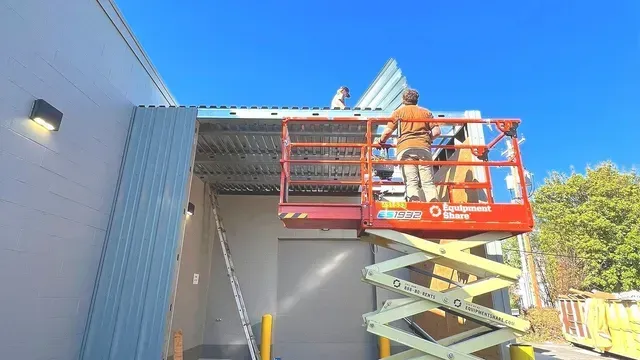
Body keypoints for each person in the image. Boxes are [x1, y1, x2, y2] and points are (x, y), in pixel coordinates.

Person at [374, 88, 441, 202]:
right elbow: (437, 132)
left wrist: (380, 141)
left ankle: (414, 203)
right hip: (424, 148)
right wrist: (426, 140)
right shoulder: (426, 112)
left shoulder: (399, 113)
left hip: (406, 149)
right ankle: (434, 205)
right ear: (417, 100)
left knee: (411, 181)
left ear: (403, 100)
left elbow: (387, 132)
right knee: (428, 182)